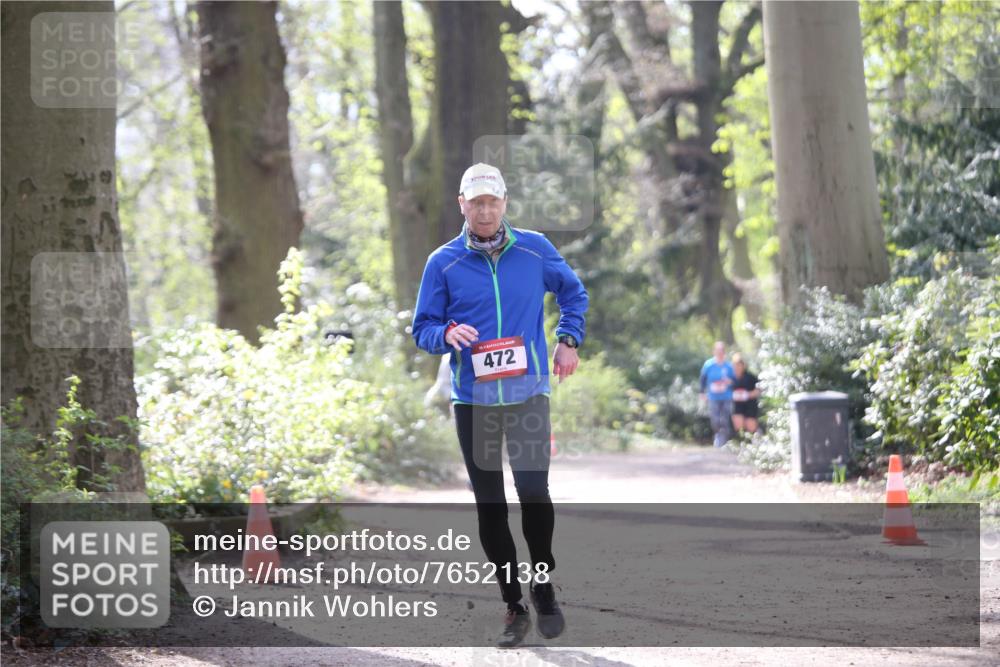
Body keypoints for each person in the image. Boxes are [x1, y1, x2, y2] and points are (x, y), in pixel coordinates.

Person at [411, 163, 588, 648]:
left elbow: (573, 292)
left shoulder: (534, 249)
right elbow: (421, 328)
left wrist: (568, 338)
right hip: (474, 400)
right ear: (461, 205)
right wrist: (445, 333)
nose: (485, 210)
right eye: (477, 202)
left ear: (504, 203)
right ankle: (513, 605)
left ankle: (544, 584)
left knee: (534, 491)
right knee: (490, 505)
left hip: (529, 391)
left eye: (493, 201)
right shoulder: (442, 263)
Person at [699, 341, 735, 448]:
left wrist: (730, 382)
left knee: (725, 418)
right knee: (715, 419)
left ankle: (724, 440)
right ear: (714, 351)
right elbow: (703, 379)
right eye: (717, 350)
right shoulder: (708, 365)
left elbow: (735, 380)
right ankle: (717, 435)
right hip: (713, 396)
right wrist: (702, 393)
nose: (719, 353)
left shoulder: (729, 366)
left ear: (724, 352)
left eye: (721, 351)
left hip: (726, 396)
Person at [730, 353, 761, 434]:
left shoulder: (751, 377)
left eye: (739, 365)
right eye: (735, 365)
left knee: (751, 426)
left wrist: (746, 395)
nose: (737, 367)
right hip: (737, 406)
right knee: (738, 425)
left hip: (750, 405)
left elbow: (758, 390)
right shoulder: (731, 378)